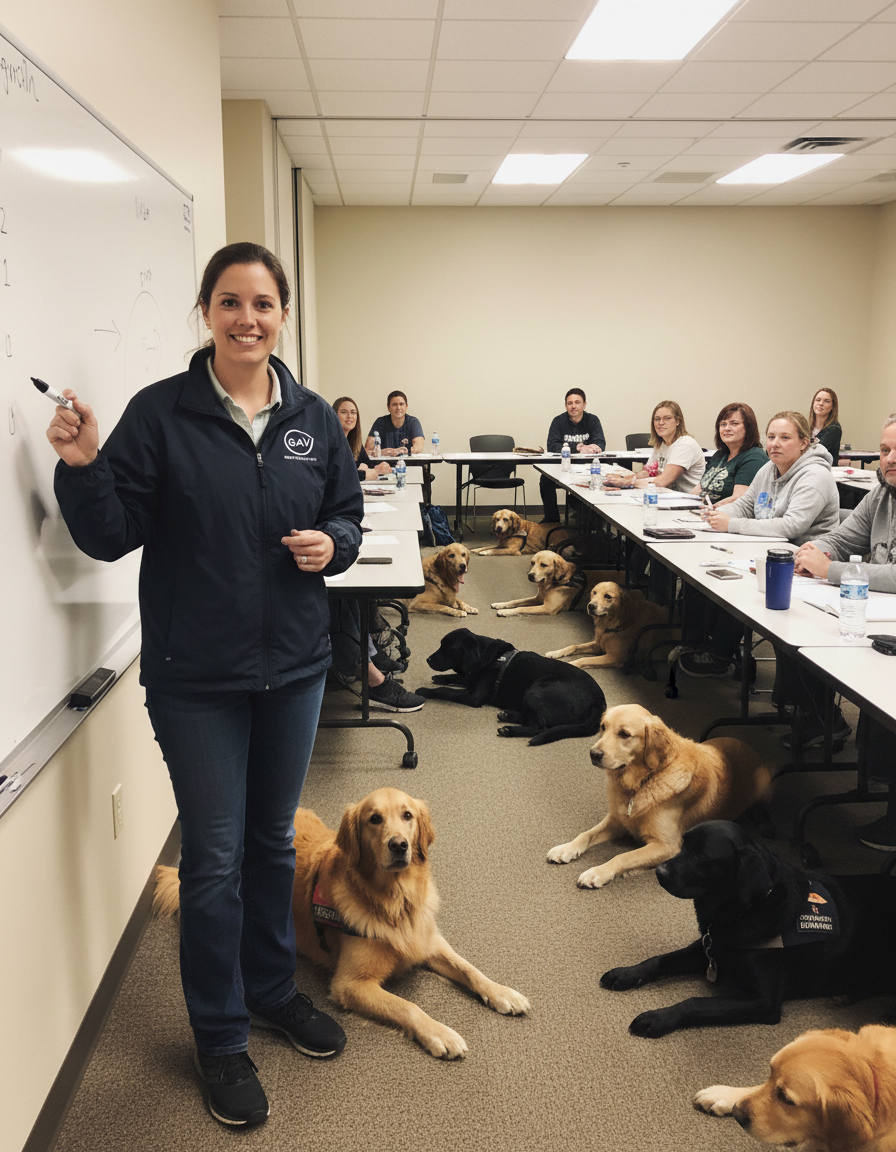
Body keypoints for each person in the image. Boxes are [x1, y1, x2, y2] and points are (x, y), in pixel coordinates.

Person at [47, 242, 363, 1128]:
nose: (247, 319)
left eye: (263, 304)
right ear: (206, 312)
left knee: (272, 843)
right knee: (216, 860)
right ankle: (220, 1038)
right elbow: (110, 535)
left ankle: (271, 989)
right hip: (198, 679)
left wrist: (332, 545)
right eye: (230, 303)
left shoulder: (311, 418)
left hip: (296, 667)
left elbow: (348, 510)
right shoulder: (162, 415)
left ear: (282, 315)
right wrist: (83, 466)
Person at [777, 413, 896, 850]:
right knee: (799, 625)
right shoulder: (881, 493)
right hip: (878, 612)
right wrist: (815, 552)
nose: (889, 459)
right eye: (884, 450)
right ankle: (822, 723)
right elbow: (844, 537)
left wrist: (833, 571)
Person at [679, 410, 839, 678]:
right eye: (772, 437)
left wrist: (732, 524)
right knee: (708, 572)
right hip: (765, 551)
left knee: (734, 586)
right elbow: (746, 503)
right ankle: (704, 644)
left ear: (804, 442)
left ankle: (719, 657)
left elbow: (791, 526)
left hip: (803, 564)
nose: (775, 443)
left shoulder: (815, 475)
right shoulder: (768, 468)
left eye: (785, 437)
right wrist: (721, 514)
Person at [603, 400, 704, 493]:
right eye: (657, 419)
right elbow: (648, 472)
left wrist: (627, 483)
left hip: (689, 500)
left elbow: (662, 481)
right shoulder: (662, 445)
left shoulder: (685, 444)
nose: (661, 423)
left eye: (667, 418)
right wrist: (623, 479)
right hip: (669, 497)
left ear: (678, 421)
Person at [539, 388, 606, 522]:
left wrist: (592, 448)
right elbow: (552, 446)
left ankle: (592, 519)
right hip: (563, 467)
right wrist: (579, 447)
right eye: (570, 403)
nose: (573, 406)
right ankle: (552, 519)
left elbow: (600, 444)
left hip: (587, 467)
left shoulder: (592, 420)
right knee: (545, 480)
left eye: (577, 402)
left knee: (599, 481)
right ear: (566, 406)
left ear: (584, 404)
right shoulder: (558, 421)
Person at [692, 402, 767, 505]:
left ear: (748, 428)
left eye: (734, 423)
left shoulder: (754, 457)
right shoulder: (720, 455)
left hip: (726, 516)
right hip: (702, 513)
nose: (727, 428)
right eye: (723, 424)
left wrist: (710, 510)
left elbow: (739, 499)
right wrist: (683, 503)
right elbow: (700, 488)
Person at [333, 395, 391, 479]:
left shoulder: (354, 441)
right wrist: (365, 474)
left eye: (353, 412)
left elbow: (368, 464)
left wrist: (380, 466)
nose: (349, 416)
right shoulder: (331, 442)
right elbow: (338, 475)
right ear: (334, 415)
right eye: (344, 412)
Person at [365, 390, 424, 456]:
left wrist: (397, 451)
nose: (398, 408)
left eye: (401, 404)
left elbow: (418, 448)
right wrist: (393, 451)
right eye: (394, 404)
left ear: (406, 406)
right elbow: (368, 449)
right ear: (388, 407)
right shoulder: (380, 422)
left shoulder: (413, 422)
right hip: (384, 464)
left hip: (408, 464)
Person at [808, 387, 842, 463]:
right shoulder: (806, 428)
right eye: (818, 400)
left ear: (832, 406)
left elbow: (815, 453)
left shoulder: (834, 429)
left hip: (824, 470)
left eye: (827, 401)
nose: (820, 403)